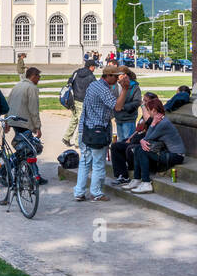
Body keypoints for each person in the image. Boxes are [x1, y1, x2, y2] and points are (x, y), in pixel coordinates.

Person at [72, 65, 128, 202]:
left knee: (85, 162)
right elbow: (118, 107)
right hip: (98, 132)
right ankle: (96, 193)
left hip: (85, 129)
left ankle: (79, 192)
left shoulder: (93, 85)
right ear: (108, 76)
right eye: (115, 76)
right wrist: (125, 89)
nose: (117, 79)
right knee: (98, 164)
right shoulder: (103, 89)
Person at [130, 97, 186, 193]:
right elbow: (147, 138)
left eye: (148, 110)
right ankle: (137, 179)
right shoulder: (160, 120)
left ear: (154, 110)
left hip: (177, 156)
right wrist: (143, 140)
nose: (148, 113)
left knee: (142, 151)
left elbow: (148, 138)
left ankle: (146, 183)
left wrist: (152, 125)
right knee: (138, 148)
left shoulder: (163, 123)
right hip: (169, 153)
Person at [8, 66, 47, 186]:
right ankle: (6, 169)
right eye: (39, 76)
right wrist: (37, 127)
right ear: (33, 76)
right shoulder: (32, 88)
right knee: (28, 151)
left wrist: (7, 121)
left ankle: (34, 175)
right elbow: (33, 109)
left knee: (25, 150)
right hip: (24, 123)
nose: (39, 79)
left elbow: (8, 103)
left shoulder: (17, 85)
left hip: (14, 121)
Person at [110, 92, 158, 184]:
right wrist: (130, 138)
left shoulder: (153, 115)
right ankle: (122, 175)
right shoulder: (144, 115)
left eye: (146, 101)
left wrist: (144, 107)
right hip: (136, 138)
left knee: (129, 148)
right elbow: (138, 129)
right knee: (116, 146)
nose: (143, 102)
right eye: (143, 100)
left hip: (144, 141)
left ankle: (131, 169)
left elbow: (148, 122)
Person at [62, 58, 98, 147]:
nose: (95, 69)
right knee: (82, 121)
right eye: (94, 67)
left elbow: (69, 82)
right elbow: (95, 89)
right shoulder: (91, 76)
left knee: (75, 118)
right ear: (91, 67)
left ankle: (66, 137)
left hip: (73, 100)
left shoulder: (76, 72)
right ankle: (78, 142)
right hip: (83, 101)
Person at [114, 66, 142, 141]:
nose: (116, 77)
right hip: (118, 118)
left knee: (128, 141)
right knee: (120, 141)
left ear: (125, 75)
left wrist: (123, 107)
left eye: (118, 75)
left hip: (129, 119)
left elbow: (137, 101)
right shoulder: (115, 85)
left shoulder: (134, 87)